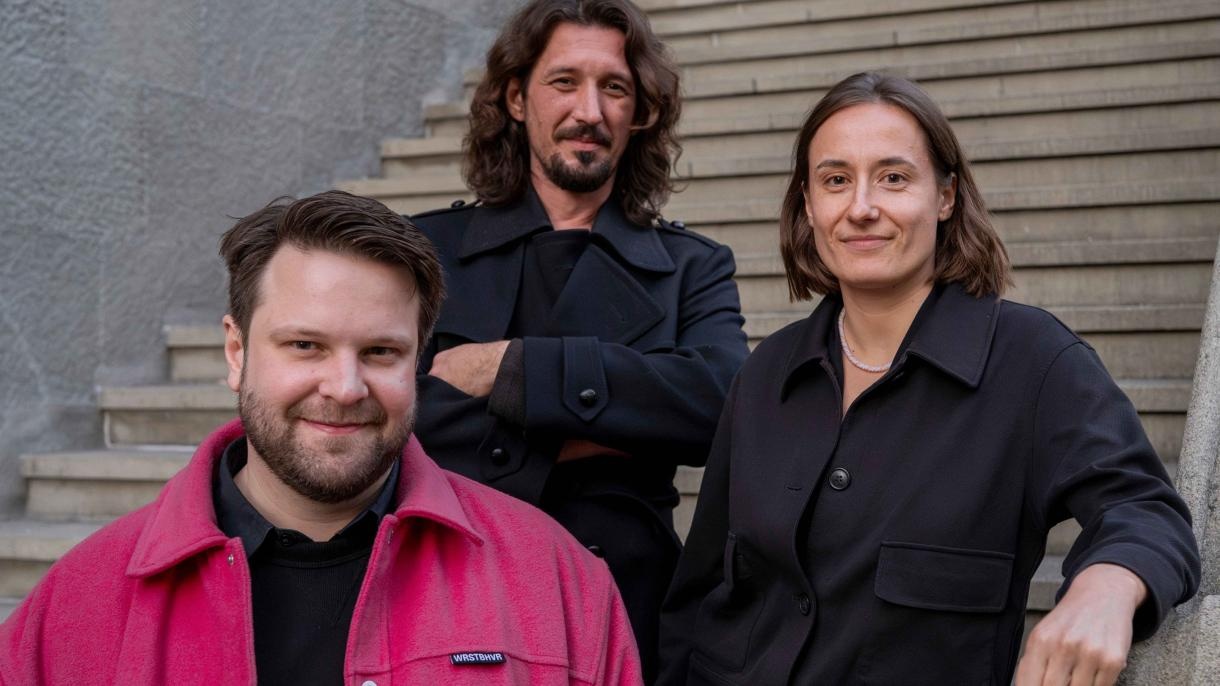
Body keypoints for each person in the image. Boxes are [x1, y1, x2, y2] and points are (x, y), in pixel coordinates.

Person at [657, 72, 1201, 686]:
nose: (861, 207)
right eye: (836, 180)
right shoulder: (764, 374)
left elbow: (1144, 508)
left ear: (945, 196)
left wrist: (1107, 586)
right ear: (808, 204)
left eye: (893, 177)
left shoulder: (1034, 361)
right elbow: (696, 595)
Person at [0, 191, 642, 686]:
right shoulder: (77, 607)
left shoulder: (559, 584)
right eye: (305, 345)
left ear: (416, 362)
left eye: (381, 351)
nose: (344, 387)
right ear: (236, 352)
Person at [409, 0, 748, 678]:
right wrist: (620, 418)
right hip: (451, 585)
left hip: (625, 600)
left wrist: (511, 368)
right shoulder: (424, 248)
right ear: (516, 98)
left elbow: (723, 408)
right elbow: (391, 417)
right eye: (564, 82)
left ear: (640, 111)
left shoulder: (693, 266)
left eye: (614, 87)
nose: (589, 111)